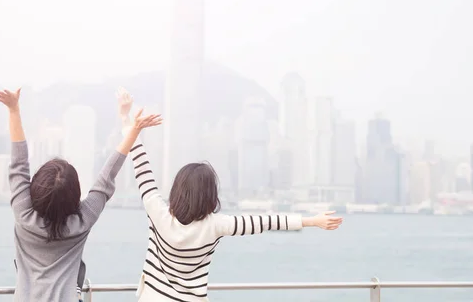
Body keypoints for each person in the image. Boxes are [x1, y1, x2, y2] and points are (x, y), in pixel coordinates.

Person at [116, 88, 344, 302]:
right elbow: (266, 221)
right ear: (210, 196)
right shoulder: (216, 225)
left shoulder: (158, 212)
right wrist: (312, 221)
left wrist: (126, 119)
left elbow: (140, 162)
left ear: (178, 189)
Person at [0, 88, 162, 301]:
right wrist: (133, 129)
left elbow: (18, 165)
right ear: (75, 195)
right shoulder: (82, 220)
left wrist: (14, 110)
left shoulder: (23, 214)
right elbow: (107, 177)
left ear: (35, 190)